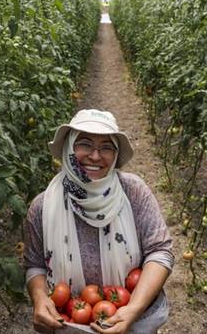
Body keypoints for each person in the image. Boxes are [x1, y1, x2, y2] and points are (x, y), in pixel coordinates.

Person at [24, 109, 174, 334]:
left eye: (106, 147)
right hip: (70, 321)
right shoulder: (43, 206)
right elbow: (34, 264)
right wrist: (38, 298)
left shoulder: (133, 192)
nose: (95, 156)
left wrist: (132, 309)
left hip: (129, 318)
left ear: (115, 156)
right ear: (68, 149)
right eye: (84, 144)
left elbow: (160, 251)